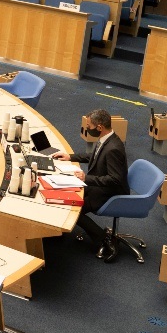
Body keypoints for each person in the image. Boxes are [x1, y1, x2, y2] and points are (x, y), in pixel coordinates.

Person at [52, 109, 130, 262]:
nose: (87, 128)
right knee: (68, 194)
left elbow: (115, 179)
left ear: (99, 127)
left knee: (74, 211)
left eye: (89, 126)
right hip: (97, 185)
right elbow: (94, 157)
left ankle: (105, 240)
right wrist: (70, 157)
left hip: (109, 192)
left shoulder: (114, 148)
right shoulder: (106, 139)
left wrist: (86, 178)